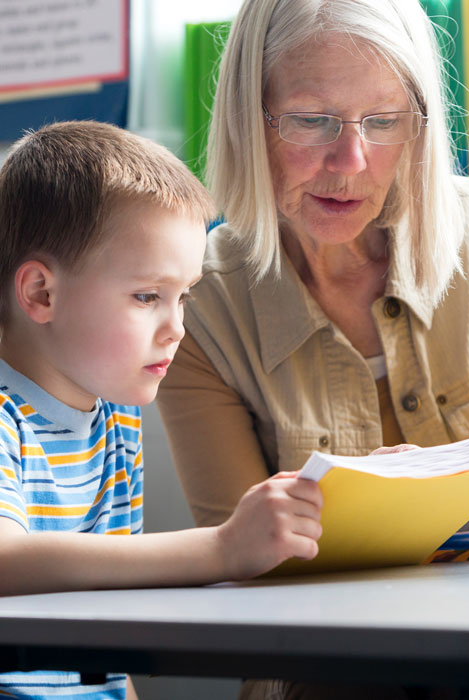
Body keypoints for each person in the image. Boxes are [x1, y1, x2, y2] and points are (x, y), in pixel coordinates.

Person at [156, 0, 469, 698]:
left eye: (384, 122)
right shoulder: (199, 304)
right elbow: (246, 574)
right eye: (312, 120)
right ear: (250, 117)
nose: (351, 160)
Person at [0, 120, 323, 700]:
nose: (176, 328)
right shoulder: (5, 415)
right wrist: (222, 548)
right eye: (148, 296)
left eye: (185, 296)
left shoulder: (115, 417)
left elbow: (105, 613)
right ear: (41, 294)